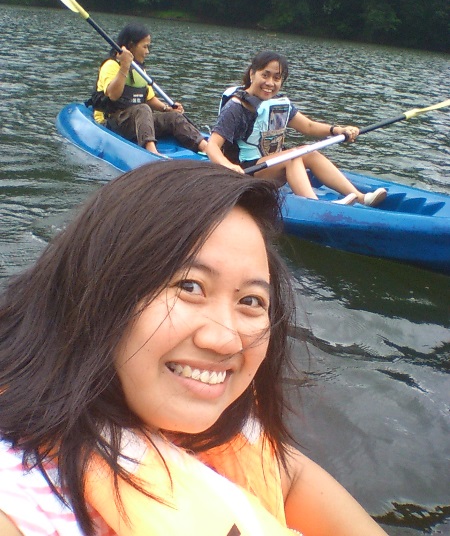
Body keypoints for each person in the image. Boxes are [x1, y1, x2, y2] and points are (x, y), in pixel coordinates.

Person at [0, 160, 388, 536]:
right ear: (97, 290)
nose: (225, 340)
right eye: (189, 287)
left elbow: (291, 476)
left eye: (251, 301)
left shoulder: (238, 436)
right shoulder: (22, 501)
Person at [206, 50, 387, 206]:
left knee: (310, 152)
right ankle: (313, 205)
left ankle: (362, 198)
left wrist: (336, 130)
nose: (270, 83)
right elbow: (212, 145)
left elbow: (308, 126)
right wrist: (229, 166)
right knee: (293, 158)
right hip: (243, 172)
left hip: (267, 166)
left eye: (277, 78)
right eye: (265, 75)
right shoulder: (237, 107)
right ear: (253, 74)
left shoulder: (276, 104)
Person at [89, 23, 207, 156]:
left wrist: (166, 108)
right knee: (143, 108)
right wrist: (124, 66)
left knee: (173, 117)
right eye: (144, 47)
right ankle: (151, 152)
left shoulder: (140, 70)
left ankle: (207, 148)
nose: (147, 52)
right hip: (113, 122)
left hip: (138, 121)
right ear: (131, 46)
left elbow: (149, 98)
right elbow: (113, 95)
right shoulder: (111, 65)